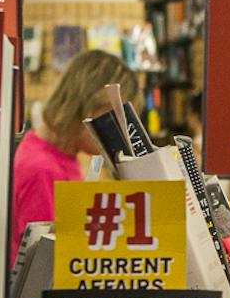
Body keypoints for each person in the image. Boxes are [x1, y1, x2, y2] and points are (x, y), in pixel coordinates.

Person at [10, 50, 136, 259]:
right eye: (113, 117)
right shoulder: (43, 169)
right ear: (87, 106)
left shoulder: (59, 155)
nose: (118, 132)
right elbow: (49, 259)